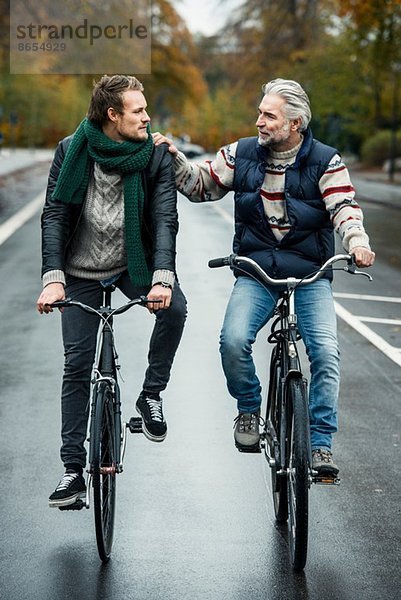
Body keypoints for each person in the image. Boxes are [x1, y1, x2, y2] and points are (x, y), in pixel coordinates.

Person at [153, 78, 375, 476]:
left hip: (310, 274)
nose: (259, 121)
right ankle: (249, 410)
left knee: (325, 353)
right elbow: (201, 185)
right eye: (259, 112)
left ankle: (321, 445)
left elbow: (344, 206)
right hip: (256, 272)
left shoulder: (326, 161)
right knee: (233, 340)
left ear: (294, 125)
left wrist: (357, 242)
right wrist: (173, 159)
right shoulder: (240, 154)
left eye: (268, 115)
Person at [37, 74, 187, 508]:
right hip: (79, 271)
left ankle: (150, 395)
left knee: (175, 308)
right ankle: (71, 471)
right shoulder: (71, 150)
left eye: (145, 109)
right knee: (77, 364)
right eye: (137, 110)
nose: (146, 117)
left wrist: (162, 276)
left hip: (131, 262)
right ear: (112, 115)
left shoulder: (155, 155)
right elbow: (55, 217)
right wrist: (53, 278)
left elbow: (164, 219)